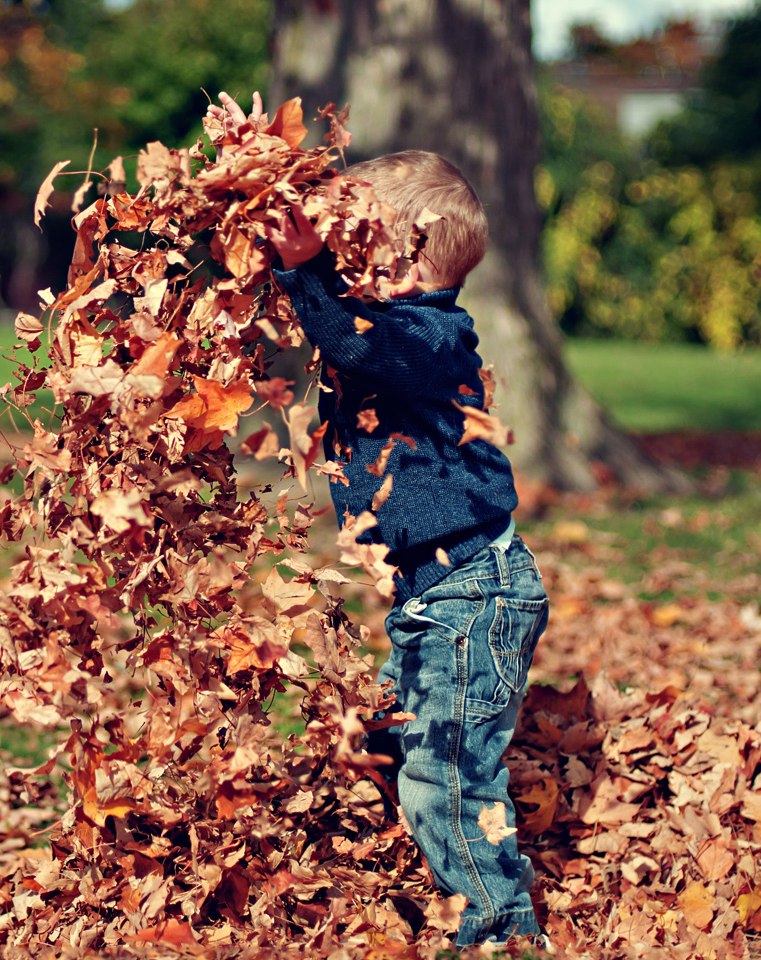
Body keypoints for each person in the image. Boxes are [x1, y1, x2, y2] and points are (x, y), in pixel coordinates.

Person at [211, 93, 550, 950]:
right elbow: (341, 333)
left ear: (404, 260)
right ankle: (472, 870)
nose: (340, 258)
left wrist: (305, 272)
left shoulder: (431, 337)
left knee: (444, 775)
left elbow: (355, 342)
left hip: (475, 594)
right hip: (437, 598)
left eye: (355, 242)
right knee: (403, 747)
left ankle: (501, 933)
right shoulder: (389, 325)